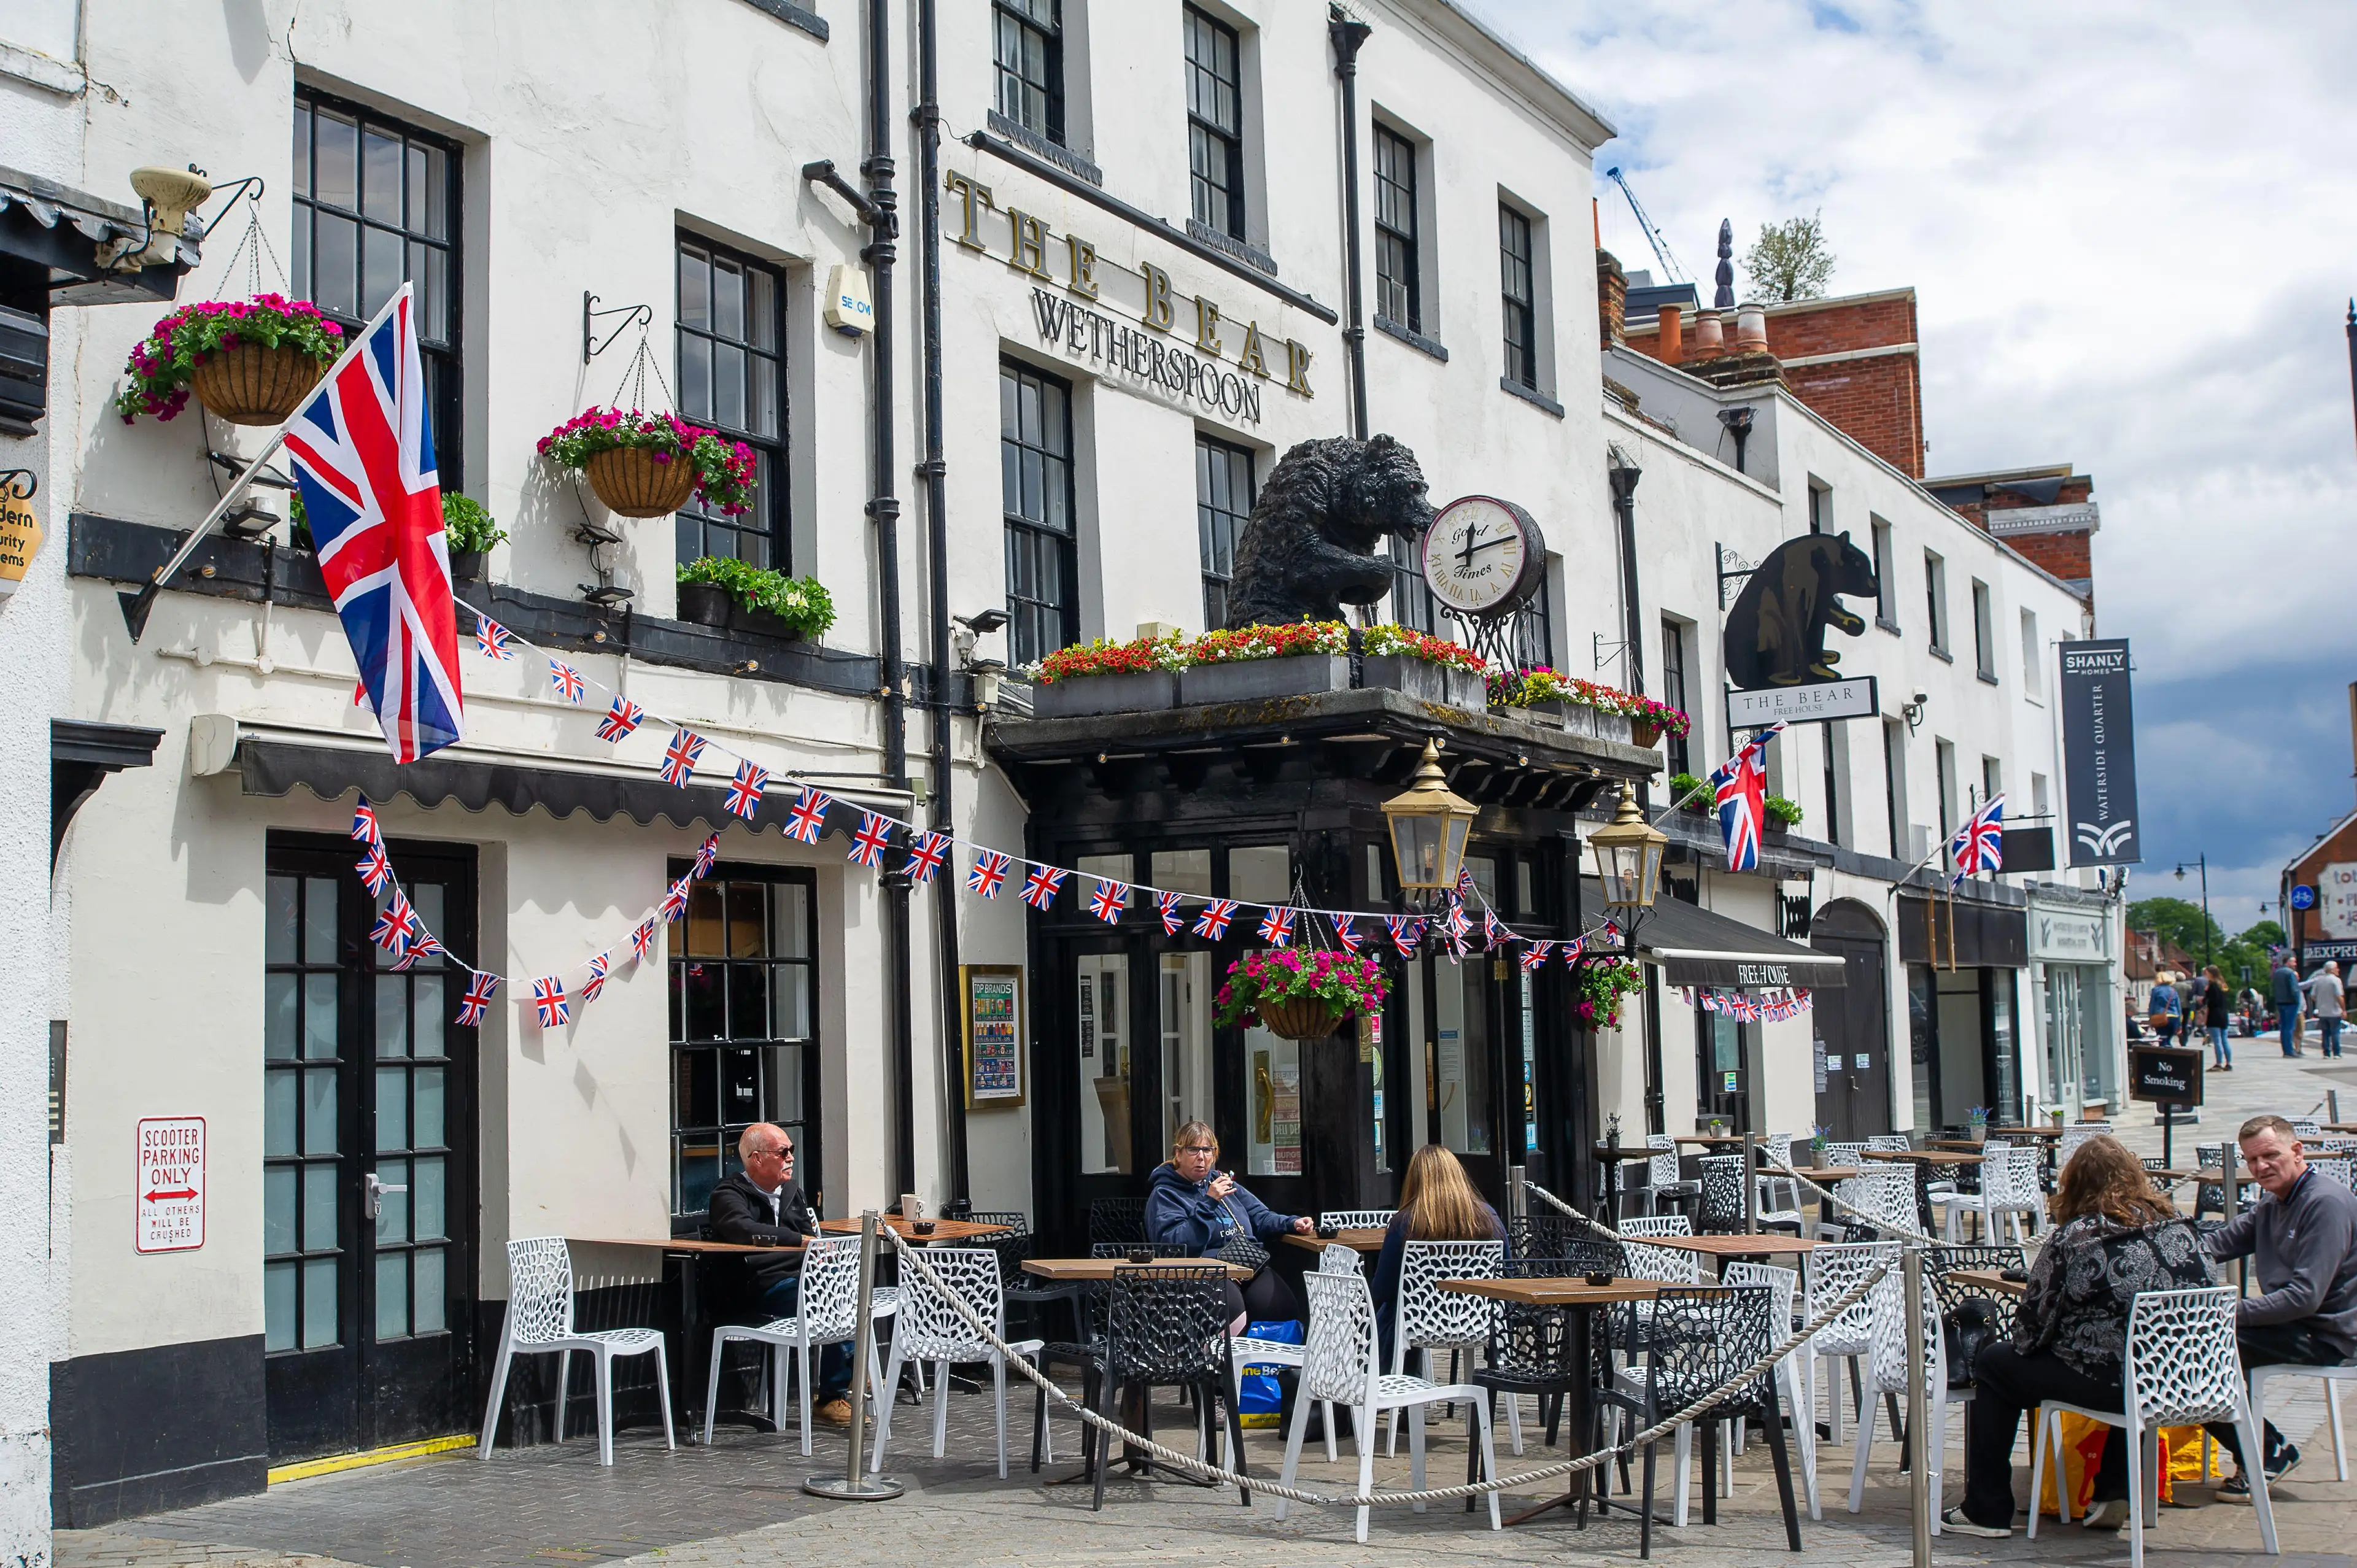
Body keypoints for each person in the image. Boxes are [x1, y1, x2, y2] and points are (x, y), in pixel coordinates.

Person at [1946, 1134, 2212, 1537]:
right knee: (2134, 1355)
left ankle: (1987, 1508)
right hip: (2183, 1377)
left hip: (2116, 1383)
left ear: (2075, 1184)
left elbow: (2031, 1328)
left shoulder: (2077, 1236)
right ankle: (2112, 1488)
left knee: (1995, 1363)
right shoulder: (2182, 1227)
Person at [2201, 1114, 2357, 1491]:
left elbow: (2304, 1298)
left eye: (2270, 1155)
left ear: (2297, 1151)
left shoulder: (2325, 1204)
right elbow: (2217, 1244)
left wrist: (2223, 1313)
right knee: (2192, 1344)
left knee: (2196, 1350)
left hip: (2329, 1335)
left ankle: (2268, 1452)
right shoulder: (2274, 1202)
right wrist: (2158, 1250)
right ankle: (2263, 1448)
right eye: (2252, 1160)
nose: (2260, 1167)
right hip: (2299, 1325)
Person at [705, 1123, 854, 1426]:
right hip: (759, 1286)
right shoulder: (728, 1194)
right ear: (756, 1159)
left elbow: (811, 1234)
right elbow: (744, 1230)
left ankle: (835, 1389)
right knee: (826, 1298)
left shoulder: (791, 1191)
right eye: (782, 1152)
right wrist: (797, 1241)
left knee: (844, 1287)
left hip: (805, 1278)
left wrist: (822, 1251)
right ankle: (844, 1375)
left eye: (792, 1150)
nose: (790, 1158)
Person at [1145, 1120, 1313, 1324]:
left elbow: (1260, 1216)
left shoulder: (1222, 1182)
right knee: (1233, 1313)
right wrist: (1209, 1202)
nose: (1201, 1157)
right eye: (1193, 1149)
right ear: (1178, 1154)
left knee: (1282, 1309)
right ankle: (1221, 1356)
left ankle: (1267, 1356)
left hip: (1245, 1264)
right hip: (1200, 1272)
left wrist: (1292, 1223)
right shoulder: (1165, 1194)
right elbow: (1175, 1246)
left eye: (1207, 1150)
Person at [1369, 1143, 1511, 1364]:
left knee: (1389, 1312)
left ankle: (1396, 1385)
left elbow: (1382, 1290)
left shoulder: (1405, 1223)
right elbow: (1508, 1274)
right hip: (1478, 1320)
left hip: (1419, 1322)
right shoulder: (1488, 1218)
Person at [2305, 961, 2346, 1059]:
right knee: (2335, 1032)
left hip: (2322, 1012)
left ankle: (2326, 1053)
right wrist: (2343, 1009)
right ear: (2332, 970)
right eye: (2337, 968)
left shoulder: (2319, 980)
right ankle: (2336, 1053)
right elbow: (2339, 996)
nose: (2338, 970)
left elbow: (2312, 996)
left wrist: (2320, 1002)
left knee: (2325, 1034)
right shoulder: (2336, 980)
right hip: (2334, 1011)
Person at [2271, 954, 2305, 1057]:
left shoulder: (2276, 973)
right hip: (2291, 1003)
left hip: (2280, 1002)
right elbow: (2295, 990)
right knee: (2290, 1027)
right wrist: (2297, 1002)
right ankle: (2290, 1051)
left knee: (2284, 1027)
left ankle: (2286, 1050)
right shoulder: (2291, 974)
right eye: (2293, 962)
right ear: (2288, 962)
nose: (2295, 964)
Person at [2204, 963, 2234, 1071]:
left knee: (2217, 1040)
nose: (2206, 975)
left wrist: (2204, 997)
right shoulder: (2223, 985)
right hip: (2223, 1014)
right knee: (2224, 1040)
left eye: (2207, 973)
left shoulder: (2212, 986)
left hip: (2214, 1015)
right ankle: (2229, 1063)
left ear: (2211, 974)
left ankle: (2219, 1063)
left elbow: (2210, 1002)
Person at [2146, 971, 2181, 1050]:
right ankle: (2169, 1056)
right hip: (2174, 1017)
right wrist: (2179, 1024)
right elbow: (2178, 1006)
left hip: (2160, 1017)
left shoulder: (2155, 990)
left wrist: (2151, 1019)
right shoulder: (2173, 990)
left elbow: (2152, 1005)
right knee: (2168, 1040)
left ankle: (2164, 1059)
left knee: (2162, 1040)